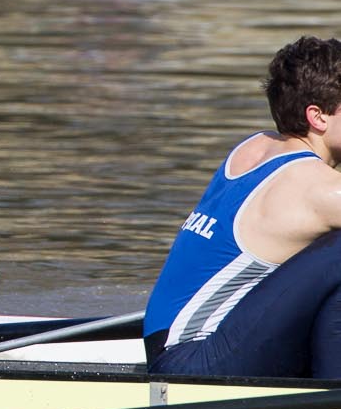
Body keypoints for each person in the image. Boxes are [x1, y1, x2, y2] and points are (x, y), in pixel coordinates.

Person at [145, 37, 341, 379]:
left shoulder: (256, 146)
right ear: (318, 117)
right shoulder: (318, 190)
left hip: (171, 344)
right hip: (195, 363)